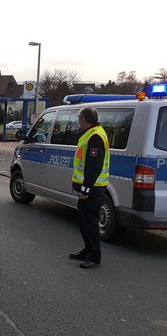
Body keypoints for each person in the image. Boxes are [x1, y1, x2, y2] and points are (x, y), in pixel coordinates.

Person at [69, 106, 110, 269]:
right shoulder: (91, 133)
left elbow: (94, 167)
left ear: (84, 119)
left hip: (92, 189)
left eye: (79, 118)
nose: (78, 121)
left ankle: (94, 256)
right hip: (89, 188)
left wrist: (85, 189)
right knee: (83, 221)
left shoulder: (95, 137)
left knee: (90, 223)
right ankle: (87, 250)